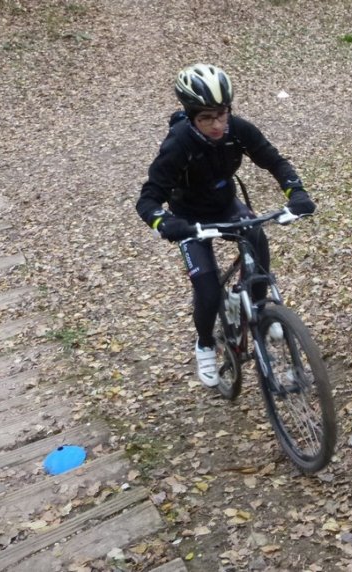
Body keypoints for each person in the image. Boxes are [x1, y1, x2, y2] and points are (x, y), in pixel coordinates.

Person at [136, 63, 316, 387]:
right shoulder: (179, 144)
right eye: (206, 118)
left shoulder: (238, 130)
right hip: (190, 220)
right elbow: (147, 199)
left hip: (226, 205)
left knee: (257, 238)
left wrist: (297, 192)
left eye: (221, 114)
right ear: (191, 117)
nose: (217, 124)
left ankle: (259, 311)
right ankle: (205, 343)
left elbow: (274, 160)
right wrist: (165, 224)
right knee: (207, 289)